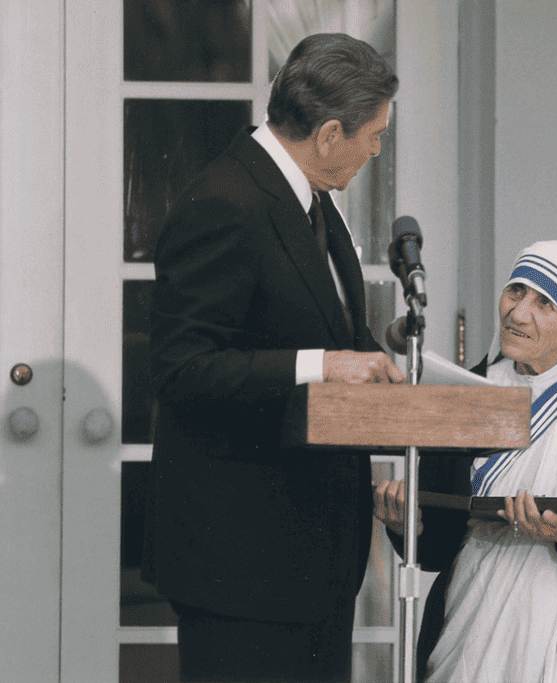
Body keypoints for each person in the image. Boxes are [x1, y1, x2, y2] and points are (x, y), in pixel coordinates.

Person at [142, 33, 405, 682]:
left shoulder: (315, 202)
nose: (376, 150)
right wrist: (321, 364)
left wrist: (381, 364)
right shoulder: (224, 204)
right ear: (328, 133)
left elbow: (334, 332)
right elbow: (183, 369)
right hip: (243, 568)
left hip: (315, 561)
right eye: (374, 135)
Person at [374, 240, 557, 683]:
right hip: (472, 626)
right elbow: (437, 546)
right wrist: (406, 525)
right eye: (516, 291)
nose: (518, 313)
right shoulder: (466, 389)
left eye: (545, 303)